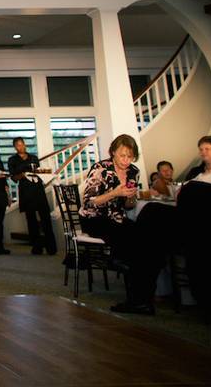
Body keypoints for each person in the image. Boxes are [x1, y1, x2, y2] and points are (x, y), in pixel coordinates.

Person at [78, 134, 156, 315]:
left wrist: (130, 197)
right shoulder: (100, 169)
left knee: (147, 239)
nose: (126, 160)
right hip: (94, 217)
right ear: (113, 152)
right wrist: (115, 193)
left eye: (130, 156)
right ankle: (134, 297)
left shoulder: (133, 172)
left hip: (117, 217)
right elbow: (89, 202)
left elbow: (129, 206)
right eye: (122, 155)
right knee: (129, 242)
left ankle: (142, 299)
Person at [8, 137, 56, 255]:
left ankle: (51, 248)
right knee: (31, 220)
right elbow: (13, 178)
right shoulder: (12, 160)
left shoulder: (33, 157)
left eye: (22, 144)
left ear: (25, 145)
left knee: (46, 219)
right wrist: (23, 174)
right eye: (18, 145)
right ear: (15, 147)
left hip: (38, 189)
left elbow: (38, 171)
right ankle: (36, 247)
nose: (21, 146)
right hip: (26, 191)